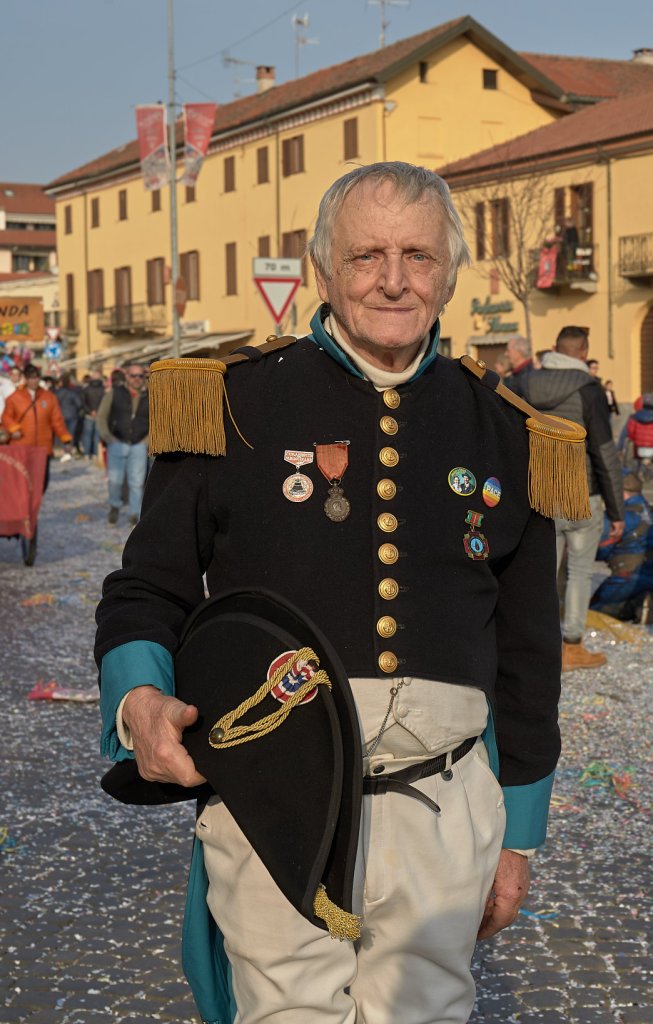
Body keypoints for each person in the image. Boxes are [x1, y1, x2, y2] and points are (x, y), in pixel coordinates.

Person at [95, 162, 583, 1024]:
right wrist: (140, 699)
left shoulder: (510, 435)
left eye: (417, 256)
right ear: (322, 270)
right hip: (272, 796)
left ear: (449, 272)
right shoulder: (226, 404)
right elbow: (148, 587)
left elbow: (526, 656)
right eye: (365, 256)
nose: (393, 280)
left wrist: (518, 836)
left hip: (444, 810)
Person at [521, 326, 625, 670]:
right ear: (583, 352)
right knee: (579, 572)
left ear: (554, 348)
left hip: (539, 492)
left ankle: (535, 648)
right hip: (582, 494)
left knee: (540, 574)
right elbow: (604, 452)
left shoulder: (524, 383)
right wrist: (617, 511)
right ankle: (572, 647)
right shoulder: (589, 390)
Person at [592, 472, 653, 621]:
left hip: (625, 578)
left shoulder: (620, 517)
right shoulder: (648, 510)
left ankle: (638, 605)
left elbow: (597, 548)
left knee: (593, 616)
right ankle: (641, 604)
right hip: (647, 574)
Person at [0, 362, 72, 489]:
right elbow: (6, 417)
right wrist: (14, 428)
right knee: (23, 482)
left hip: (43, 447)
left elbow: (57, 420)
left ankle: (35, 501)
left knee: (42, 482)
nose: (34, 381)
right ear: (25, 378)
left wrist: (65, 439)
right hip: (21, 447)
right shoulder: (14, 398)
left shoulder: (49, 398)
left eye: (36, 377)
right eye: (31, 378)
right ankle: (24, 502)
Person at [96, 361, 149, 526]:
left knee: (137, 482)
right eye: (133, 376)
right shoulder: (115, 393)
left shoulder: (151, 395)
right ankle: (114, 505)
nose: (137, 379)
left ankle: (134, 513)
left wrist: (147, 441)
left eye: (140, 376)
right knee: (115, 480)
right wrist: (108, 437)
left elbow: (158, 421)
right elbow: (101, 416)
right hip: (117, 441)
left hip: (139, 443)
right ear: (126, 376)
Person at [54, 372, 84, 454]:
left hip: (61, 415)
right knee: (71, 432)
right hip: (72, 415)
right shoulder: (72, 392)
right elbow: (79, 404)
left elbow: (54, 404)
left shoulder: (57, 393)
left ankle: (64, 448)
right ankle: (69, 448)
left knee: (63, 432)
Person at [626, 393, 653, 479]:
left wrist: (634, 439)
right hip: (651, 447)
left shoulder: (634, 416)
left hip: (638, 446)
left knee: (638, 460)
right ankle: (645, 469)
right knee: (647, 460)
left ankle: (639, 472)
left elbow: (630, 432)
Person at [80, 369, 106, 458]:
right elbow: (104, 402)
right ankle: (95, 453)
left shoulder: (86, 389)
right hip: (99, 415)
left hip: (88, 415)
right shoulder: (103, 389)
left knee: (87, 435)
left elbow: (83, 402)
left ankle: (87, 453)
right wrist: (98, 411)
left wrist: (90, 411)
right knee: (97, 435)